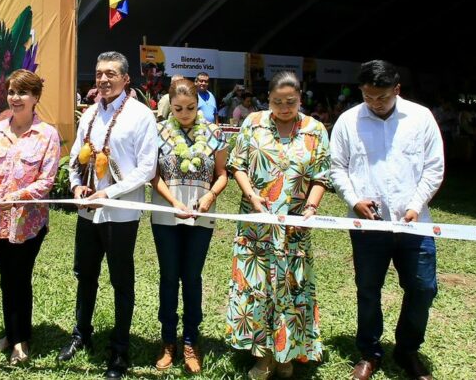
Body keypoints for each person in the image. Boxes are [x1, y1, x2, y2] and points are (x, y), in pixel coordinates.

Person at [330, 60, 444, 380]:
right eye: (368, 96)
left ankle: (407, 350)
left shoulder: (420, 118)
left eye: (382, 97)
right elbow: (337, 167)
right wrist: (353, 201)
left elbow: (434, 167)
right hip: (368, 225)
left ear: (397, 90)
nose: (375, 103)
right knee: (368, 288)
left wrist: (416, 204)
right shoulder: (348, 122)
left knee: (422, 288)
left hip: (414, 223)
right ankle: (369, 351)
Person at [58, 51, 159, 379]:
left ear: (125, 78)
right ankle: (81, 334)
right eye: (100, 73)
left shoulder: (141, 115)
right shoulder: (88, 115)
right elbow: (76, 154)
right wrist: (76, 186)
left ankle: (119, 349)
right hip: (88, 212)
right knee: (85, 275)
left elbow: (146, 168)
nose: (103, 79)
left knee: (120, 281)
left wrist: (109, 193)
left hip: (120, 212)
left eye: (111, 74)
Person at [224, 71, 329, 378]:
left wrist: (311, 207)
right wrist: (252, 196)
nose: (284, 107)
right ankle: (263, 356)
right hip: (256, 228)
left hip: (294, 230)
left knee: (290, 290)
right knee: (258, 290)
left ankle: (286, 355)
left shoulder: (315, 129)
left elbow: (321, 175)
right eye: (277, 101)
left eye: (291, 101)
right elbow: (237, 164)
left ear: (301, 98)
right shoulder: (253, 123)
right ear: (267, 99)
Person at [0, 69, 60, 366]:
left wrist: (17, 195)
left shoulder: (47, 134)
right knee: (6, 279)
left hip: (29, 224)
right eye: (12, 92)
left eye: (22, 92)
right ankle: (10, 334)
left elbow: (46, 181)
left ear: (35, 97)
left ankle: (21, 341)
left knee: (19, 278)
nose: (15, 98)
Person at [150, 78, 227, 374]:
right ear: (171, 106)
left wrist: (209, 196)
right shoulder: (159, 132)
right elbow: (153, 175)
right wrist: (173, 202)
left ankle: (191, 341)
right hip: (166, 215)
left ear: (199, 104)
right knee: (169, 277)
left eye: (191, 108)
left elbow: (222, 174)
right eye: (179, 108)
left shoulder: (215, 133)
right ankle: (168, 341)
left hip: (202, 216)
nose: (185, 114)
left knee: (192, 277)